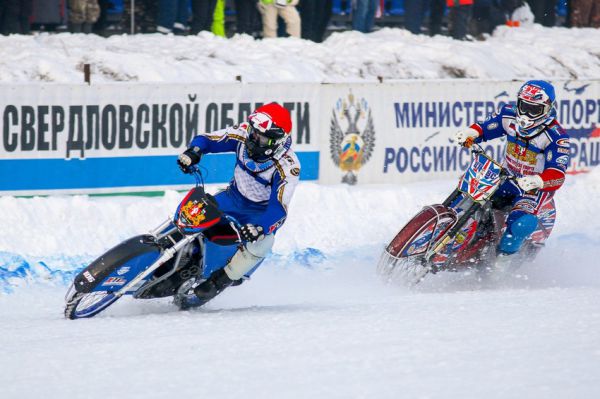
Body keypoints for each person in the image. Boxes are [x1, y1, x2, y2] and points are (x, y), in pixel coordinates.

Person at [175, 103, 301, 307]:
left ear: (276, 141)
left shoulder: (288, 166)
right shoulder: (244, 133)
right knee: (196, 211)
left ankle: (219, 281)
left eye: (260, 136)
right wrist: (194, 152)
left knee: (264, 243)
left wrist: (261, 227)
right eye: (253, 131)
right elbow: (209, 139)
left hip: (259, 214)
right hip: (232, 198)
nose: (252, 138)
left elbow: (279, 208)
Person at [454, 80, 571, 259]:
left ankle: (503, 264)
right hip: (505, 175)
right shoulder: (508, 114)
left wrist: (538, 180)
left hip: (531, 189)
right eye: (523, 107)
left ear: (548, 108)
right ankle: (450, 228)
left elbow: (558, 174)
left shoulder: (557, 137)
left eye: (534, 109)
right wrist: (471, 133)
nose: (526, 114)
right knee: (467, 186)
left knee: (521, 223)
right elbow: (486, 127)